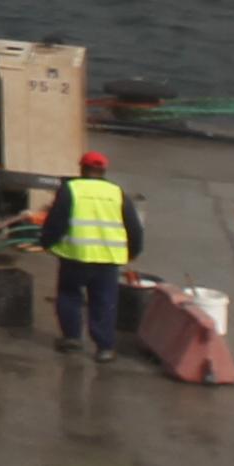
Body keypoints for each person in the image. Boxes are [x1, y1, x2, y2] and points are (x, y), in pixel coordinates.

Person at [37, 153, 144, 360]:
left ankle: (72, 339)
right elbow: (135, 229)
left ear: (82, 169)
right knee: (104, 301)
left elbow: (56, 222)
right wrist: (132, 252)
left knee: (69, 295)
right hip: (107, 260)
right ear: (104, 171)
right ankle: (104, 347)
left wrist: (46, 242)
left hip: (75, 256)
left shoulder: (71, 190)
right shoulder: (117, 193)